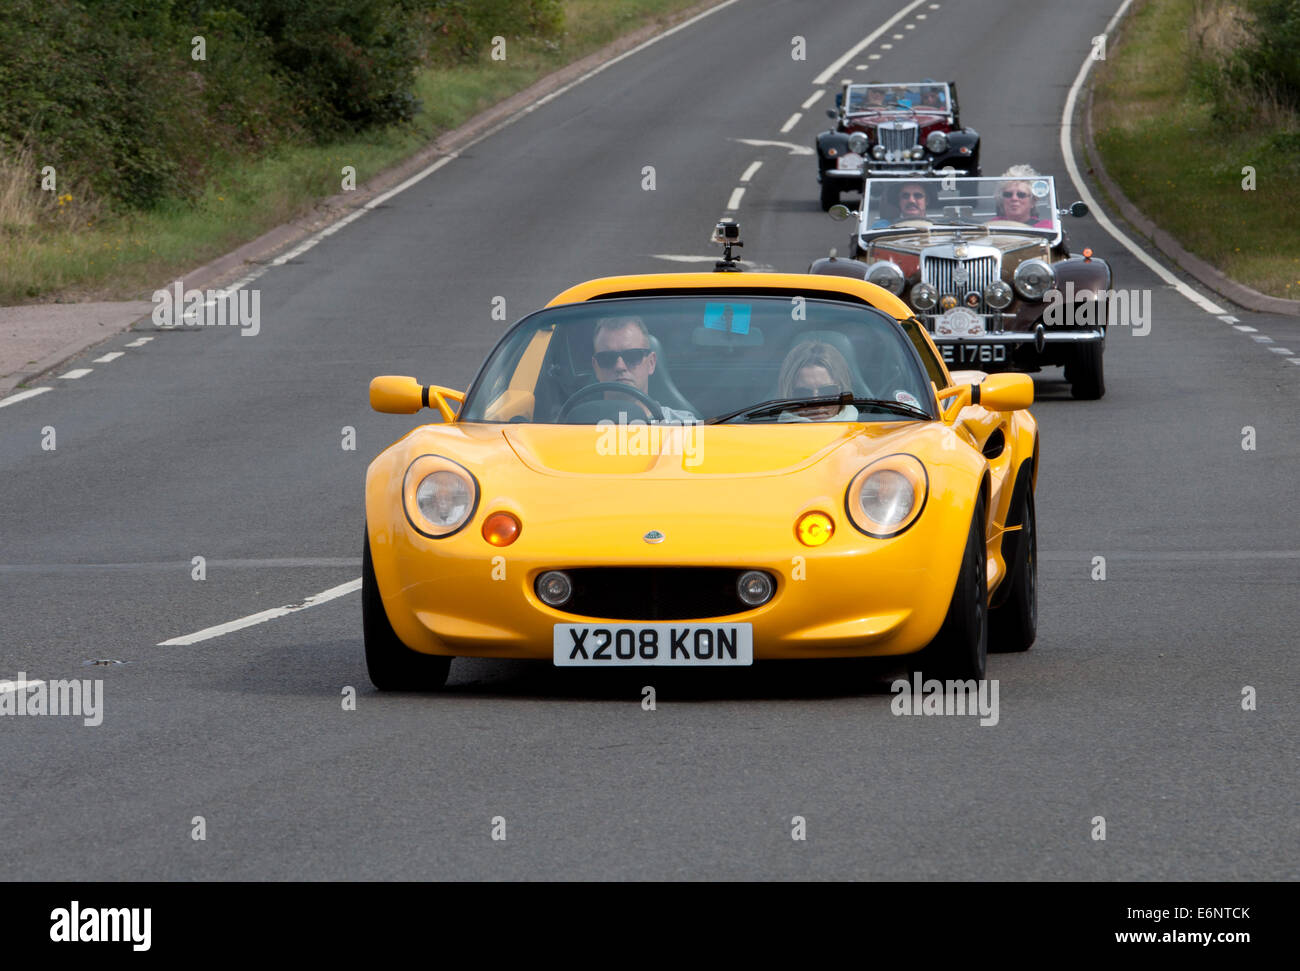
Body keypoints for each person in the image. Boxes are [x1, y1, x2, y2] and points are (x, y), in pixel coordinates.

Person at [591, 316, 696, 422]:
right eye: (607, 358)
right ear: (596, 367)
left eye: (632, 356)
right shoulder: (576, 425)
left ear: (651, 363)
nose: (620, 366)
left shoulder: (685, 427)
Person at [776, 341, 859, 422]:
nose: (817, 403)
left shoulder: (867, 430)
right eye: (803, 393)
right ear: (790, 395)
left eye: (827, 391)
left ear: (842, 392)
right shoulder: (770, 431)